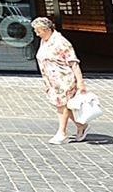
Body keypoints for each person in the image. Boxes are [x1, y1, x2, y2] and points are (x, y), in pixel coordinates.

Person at [33, 15, 90, 144]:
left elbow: (73, 63)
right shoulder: (45, 41)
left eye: (38, 31)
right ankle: (81, 126)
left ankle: (61, 133)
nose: (37, 34)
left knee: (62, 105)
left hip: (64, 79)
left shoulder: (61, 42)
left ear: (47, 29)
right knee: (65, 106)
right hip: (52, 81)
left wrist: (81, 83)